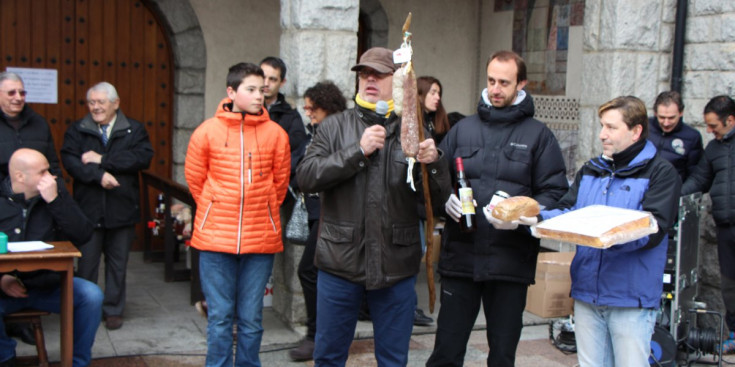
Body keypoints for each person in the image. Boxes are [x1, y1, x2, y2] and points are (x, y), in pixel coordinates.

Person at [295, 47, 451, 366]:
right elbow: (307, 177)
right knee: (328, 356)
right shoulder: (334, 127)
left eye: (379, 74)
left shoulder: (413, 129)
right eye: (365, 73)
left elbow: (434, 201)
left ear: (398, 82)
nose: (370, 79)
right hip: (340, 263)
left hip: (396, 265)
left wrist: (434, 165)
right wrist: (357, 151)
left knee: (393, 359)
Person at [504, 96, 681, 367]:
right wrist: (534, 217)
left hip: (630, 298)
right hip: (587, 292)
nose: (602, 135)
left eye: (611, 127)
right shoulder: (591, 169)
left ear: (635, 131)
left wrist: (605, 234)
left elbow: (652, 229)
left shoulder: (661, 173)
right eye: (602, 126)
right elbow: (567, 211)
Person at [426, 50, 569, 367]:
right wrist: (443, 200)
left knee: (502, 355)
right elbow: (437, 178)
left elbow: (556, 192)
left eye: (504, 82)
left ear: (521, 84)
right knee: (446, 352)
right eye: (491, 80)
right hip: (461, 258)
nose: (495, 89)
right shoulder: (462, 130)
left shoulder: (539, 136)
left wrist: (525, 217)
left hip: (510, 261)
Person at [185, 62, 290, 367]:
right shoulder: (207, 131)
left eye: (263, 89)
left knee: (252, 318)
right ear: (231, 92)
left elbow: (280, 183)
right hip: (215, 239)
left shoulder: (276, 134)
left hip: (259, 240)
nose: (260, 95)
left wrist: (266, 209)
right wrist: (215, 205)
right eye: (252, 89)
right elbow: (195, 180)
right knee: (219, 318)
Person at [60, 82, 154, 330]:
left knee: (117, 264)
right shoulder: (78, 130)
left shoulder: (133, 130)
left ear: (116, 103)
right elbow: (71, 162)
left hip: (121, 210)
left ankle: (113, 309)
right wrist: (98, 176)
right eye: (91, 102)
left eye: (101, 102)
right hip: (88, 211)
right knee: (86, 264)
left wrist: (103, 159)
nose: (95, 107)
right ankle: (83, 307)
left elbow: (141, 158)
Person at [0, 148, 103, 367]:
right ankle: (5, 357)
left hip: (48, 285)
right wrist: (2, 279)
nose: (51, 177)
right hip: (4, 290)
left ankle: (76, 362)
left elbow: (83, 234)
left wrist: (55, 201)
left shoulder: (56, 194)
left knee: (91, 295)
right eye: (43, 172)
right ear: (20, 176)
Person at [289, 81, 347, 362]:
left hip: (331, 212)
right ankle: (318, 336)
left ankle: (316, 336)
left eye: (312, 107)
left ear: (327, 107)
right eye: (306, 107)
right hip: (314, 211)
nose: (308, 112)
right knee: (314, 272)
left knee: (309, 271)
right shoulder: (315, 132)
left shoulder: (338, 132)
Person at [682, 95, 735, 354]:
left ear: (730, 120)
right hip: (726, 228)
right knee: (729, 285)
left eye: (713, 125)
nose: (709, 130)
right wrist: (671, 196)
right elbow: (699, 180)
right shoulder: (714, 149)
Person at [0, 72, 61, 183]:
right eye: (11, 93)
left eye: (22, 93)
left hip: (37, 196)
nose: (18, 98)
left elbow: (52, 164)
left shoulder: (39, 123)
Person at [647, 91, 703, 181]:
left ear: (681, 113)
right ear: (655, 113)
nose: (666, 123)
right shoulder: (643, 127)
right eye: (662, 117)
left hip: (671, 190)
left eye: (671, 118)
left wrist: (681, 193)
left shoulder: (692, 137)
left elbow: (695, 175)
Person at [417, 76, 450, 146]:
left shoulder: (437, 119)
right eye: (433, 93)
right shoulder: (412, 121)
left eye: (438, 94)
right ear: (419, 96)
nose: (438, 97)